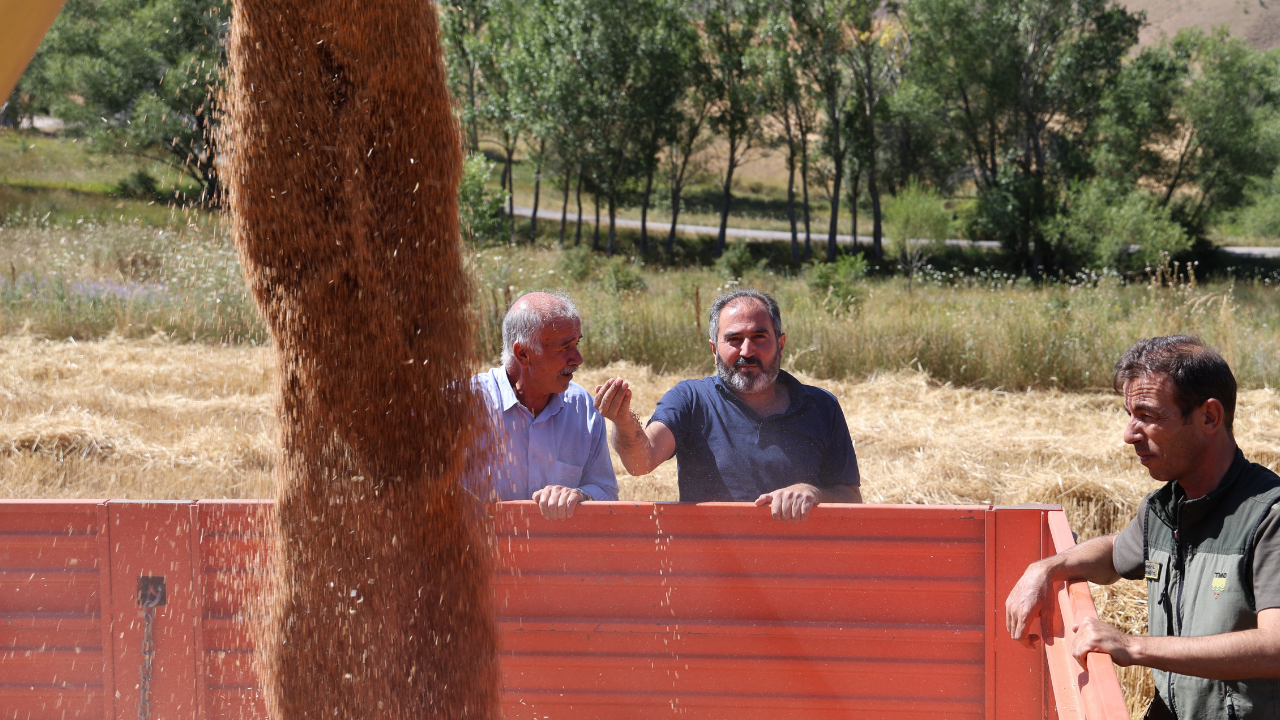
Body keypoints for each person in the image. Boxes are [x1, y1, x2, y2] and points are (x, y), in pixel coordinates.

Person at [1005, 336, 1280, 720]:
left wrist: (1134, 647)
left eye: (1148, 416)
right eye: (1129, 414)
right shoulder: (1163, 509)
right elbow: (1114, 553)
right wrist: (1045, 568)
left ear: (1209, 417)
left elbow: (1275, 647)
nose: (1130, 434)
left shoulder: (1269, 517)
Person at [594, 288, 861, 522]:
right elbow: (641, 461)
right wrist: (623, 422)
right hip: (712, 567)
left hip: (796, 567)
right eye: (734, 339)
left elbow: (851, 498)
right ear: (714, 349)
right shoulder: (691, 399)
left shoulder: (821, 406)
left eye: (759, 337)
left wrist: (813, 493)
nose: (747, 351)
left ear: (780, 344)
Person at [473, 291, 618, 519]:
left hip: (558, 554)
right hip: (478, 552)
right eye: (564, 347)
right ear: (523, 354)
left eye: (576, 343)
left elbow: (606, 491)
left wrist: (580, 495)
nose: (578, 359)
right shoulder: (462, 406)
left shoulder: (583, 408)